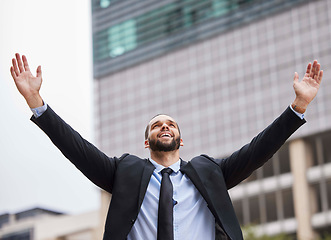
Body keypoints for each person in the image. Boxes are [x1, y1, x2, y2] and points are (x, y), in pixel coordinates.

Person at [10, 53, 323, 240]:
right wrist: (37, 103)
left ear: (181, 140)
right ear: (147, 142)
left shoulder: (209, 171)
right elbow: (76, 148)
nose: (165, 126)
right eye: (157, 125)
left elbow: (258, 150)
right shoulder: (125, 172)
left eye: (171, 124)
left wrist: (297, 106)